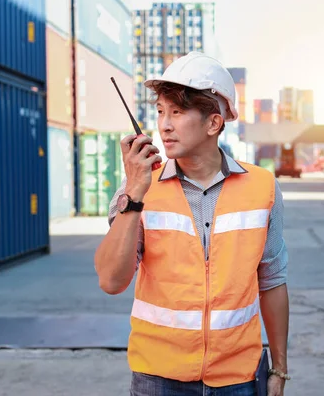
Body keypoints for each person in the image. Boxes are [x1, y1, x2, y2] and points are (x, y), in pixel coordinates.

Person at [94, 52, 290, 396]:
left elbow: (272, 282)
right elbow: (111, 280)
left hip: (238, 378)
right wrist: (134, 195)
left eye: (177, 112)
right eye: (160, 112)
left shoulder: (263, 188)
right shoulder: (138, 189)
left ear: (213, 123)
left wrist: (279, 369)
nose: (164, 125)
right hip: (158, 378)